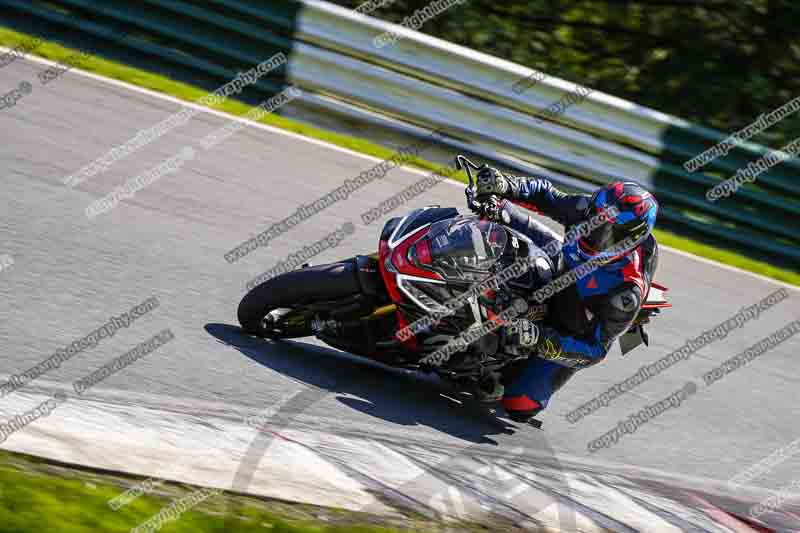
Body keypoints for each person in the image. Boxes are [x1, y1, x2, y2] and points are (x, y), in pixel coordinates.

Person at [473, 167, 660, 422]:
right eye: (596, 222)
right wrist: (506, 184)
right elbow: (545, 194)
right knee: (496, 214)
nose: (595, 234)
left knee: (520, 405)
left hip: (578, 321)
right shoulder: (588, 209)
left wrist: (539, 338)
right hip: (564, 262)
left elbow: (595, 350)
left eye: (608, 234)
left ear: (629, 242)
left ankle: (509, 364)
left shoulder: (626, 292)